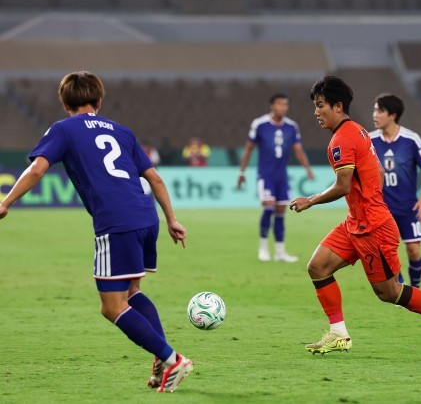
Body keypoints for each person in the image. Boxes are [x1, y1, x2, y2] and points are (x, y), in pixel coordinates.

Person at [0, 71, 193, 391]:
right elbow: (155, 178)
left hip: (116, 222)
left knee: (112, 307)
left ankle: (171, 359)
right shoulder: (122, 131)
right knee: (132, 292)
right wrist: (172, 219)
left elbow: (37, 169)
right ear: (99, 101)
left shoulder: (63, 129)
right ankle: (162, 360)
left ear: (65, 104)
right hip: (146, 215)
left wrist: (6, 202)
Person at [289, 76, 421, 354]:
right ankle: (339, 334)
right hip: (356, 223)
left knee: (389, 292)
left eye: (320, 105)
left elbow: (343, 185)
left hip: (373, 228)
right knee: (317, 267)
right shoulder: (359, 131)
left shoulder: (342, 139)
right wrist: (369, 199)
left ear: (338, 106)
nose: (316, 112)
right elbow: (378, 171)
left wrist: (310, 200)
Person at [237, 93, 314, 263]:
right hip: (265, 175)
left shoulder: (291, 126)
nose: (283, 107)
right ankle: (263, 248)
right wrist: (242, 172)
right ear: (272, 106)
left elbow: (298, 149)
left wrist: (308, 169)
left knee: (280, 213)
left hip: (282, 177)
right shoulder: (260, 124)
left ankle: (280, 252)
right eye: (279, 104)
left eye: (285, 104)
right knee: (268, 208)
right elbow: (249, 148)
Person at [369, 94, 421, 288]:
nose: (375, 115)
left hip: (407, 207)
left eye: (380, 111)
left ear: (393, 115)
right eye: (374, 110)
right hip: (382, 209)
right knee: (387, 252)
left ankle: (416, 288)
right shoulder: (369, 140)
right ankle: (402, 288)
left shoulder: (411, 139)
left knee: (413, 250)